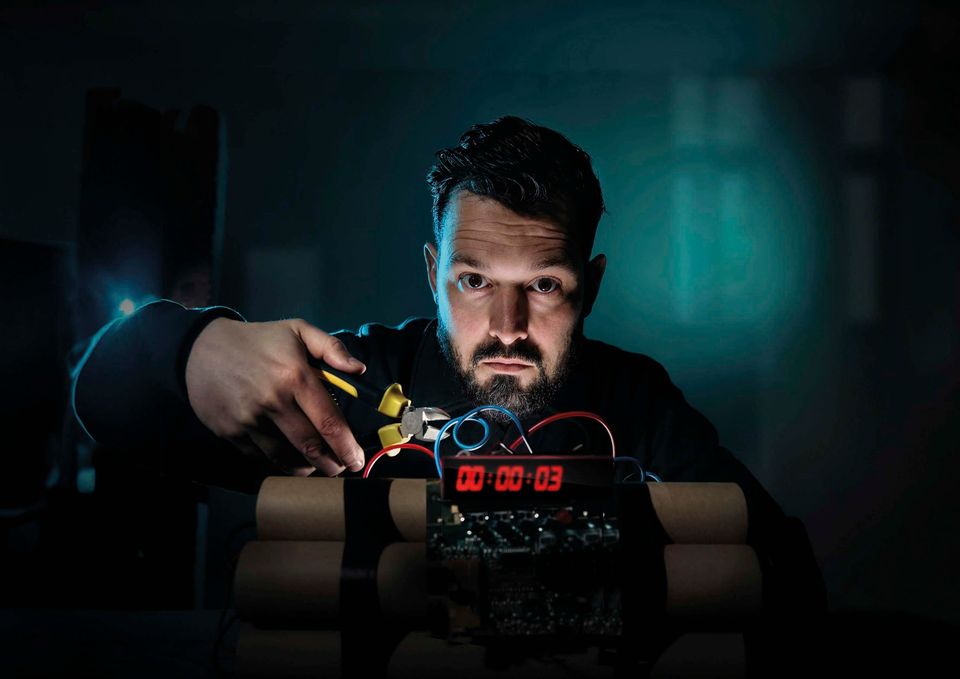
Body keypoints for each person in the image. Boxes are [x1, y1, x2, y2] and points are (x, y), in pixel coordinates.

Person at [72, 116, 824, 611]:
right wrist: (193, 345)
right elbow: (103, 399)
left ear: (590, 287)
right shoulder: (353, 381)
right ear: (433, 273)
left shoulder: (635, 401)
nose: (508, 329)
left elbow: (787, 573)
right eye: (474, 282)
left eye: (544, 286)